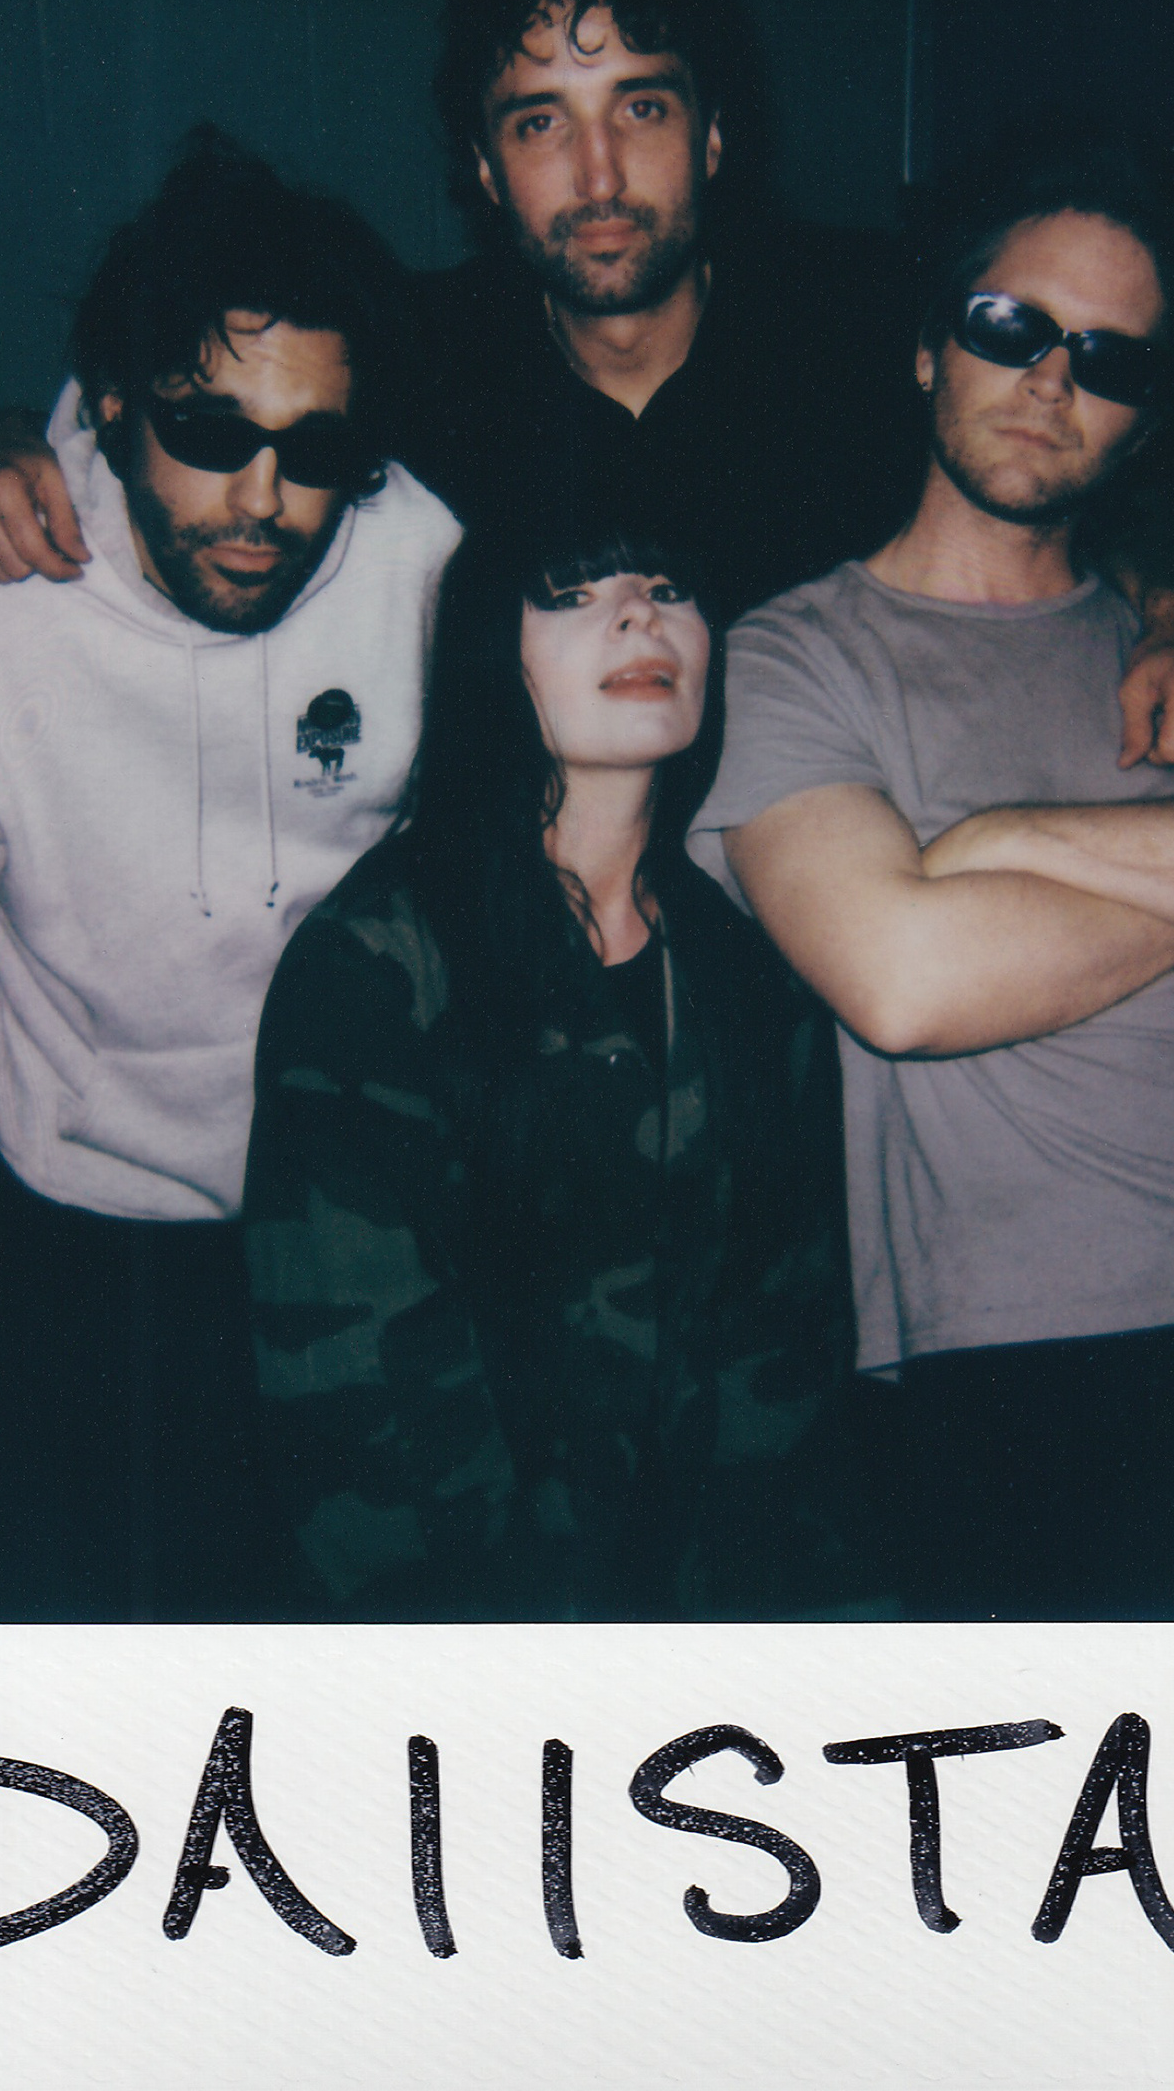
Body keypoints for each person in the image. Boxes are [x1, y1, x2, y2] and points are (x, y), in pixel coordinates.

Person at [0, 0, 1174, 775]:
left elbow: (1085, 451)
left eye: (641, 106)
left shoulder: (865, 318)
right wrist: (4, 440)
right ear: (481, 167)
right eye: (540, 124)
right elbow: (197, 401)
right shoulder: (418, 351)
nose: (600, 175)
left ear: (714, 132)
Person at [689, 145, 1174, 1621]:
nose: (1049, 381)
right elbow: (906, 980)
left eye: (1109, 359)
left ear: (1147, 418)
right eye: (1010, 327)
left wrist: (1011, 840)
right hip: (1044, 1343)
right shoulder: (790, 656)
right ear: (927, 348)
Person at [0, 128, 462, 1618]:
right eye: (209, 434)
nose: (263, 498)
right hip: (74, 1249)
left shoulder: (424, 562)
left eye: (315, 450)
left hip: (374, 1228)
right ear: (105, 402)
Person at [241, 512, 876, 1621]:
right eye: (572, 596)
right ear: (493, 656)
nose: (639, 616)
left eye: (668, 588)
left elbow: (786, 1346)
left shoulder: (745, 959)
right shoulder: (380, 961)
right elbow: (361, 1401)